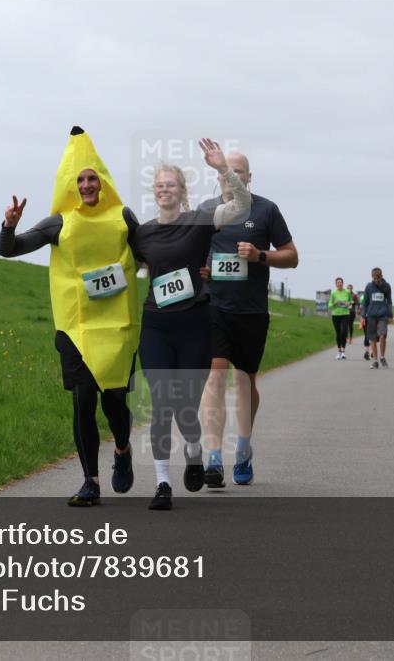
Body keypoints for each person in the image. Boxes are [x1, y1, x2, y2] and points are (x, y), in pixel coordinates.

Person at [0, 127, 139, 507]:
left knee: (113, 403)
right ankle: (90, 480)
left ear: (103, 181)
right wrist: (9, 225)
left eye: (93, 178)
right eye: (80, 179)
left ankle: (123, 449)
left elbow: (149, 254)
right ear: (69, 186)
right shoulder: (58, 223)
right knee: (83, 400)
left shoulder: (123, 217)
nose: (87, 184)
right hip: (75, 327)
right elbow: (10, 250)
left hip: (116, 327)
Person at [132, 139, 252, 509]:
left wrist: (221, 169)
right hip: (156, 325)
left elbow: (242, 205)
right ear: (154, 193)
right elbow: (127, 268)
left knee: (185, 404)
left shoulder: (200, 220)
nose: (164, 189)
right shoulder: (142, 233)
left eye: (171, 184)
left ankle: (195, 450)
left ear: (183, 191)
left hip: (194, 325)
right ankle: (163, 484)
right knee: (161, 403)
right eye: (158, 185)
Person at [197, 152, 296, 488]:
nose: (231, 176)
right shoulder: (208, 211)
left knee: (244, 381)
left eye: (237, 171)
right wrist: (202, 269)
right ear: (218, 176)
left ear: (249, 177)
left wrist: (260, 256)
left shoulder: (266, 210)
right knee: (215, 374)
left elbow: (292, 256)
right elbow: (192, 252)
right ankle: (213, 457)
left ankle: (242, 447)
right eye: (226, 172)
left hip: (251, 310)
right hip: (214, 307)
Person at [361, 267, 393, 369]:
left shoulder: (386, 286)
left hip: (383, 316)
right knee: (373, 339)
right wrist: (362, 316)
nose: (376, 279)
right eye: (374, 277)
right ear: (372, 277)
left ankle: (382, 357)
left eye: (377, 277)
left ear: (381, 276)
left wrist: (390, 315)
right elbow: (365, 303)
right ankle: (375, 361)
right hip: (371, 316)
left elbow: (389, 302)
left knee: (383, 336)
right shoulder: (369, 287)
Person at [328, 277, 353, 360]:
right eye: (338, 282)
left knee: (344, 332)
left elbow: (351, 302)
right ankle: (339, 351)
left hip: (345, 314)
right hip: (335, 315)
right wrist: (335, 303)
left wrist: (348, 303)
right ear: (336, 284)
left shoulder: (347, 292)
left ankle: (343, 351)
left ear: (343, 283)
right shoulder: (333, 293)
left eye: (340, 282)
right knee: (338, 333)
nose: (339, 284)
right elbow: (329, 305)